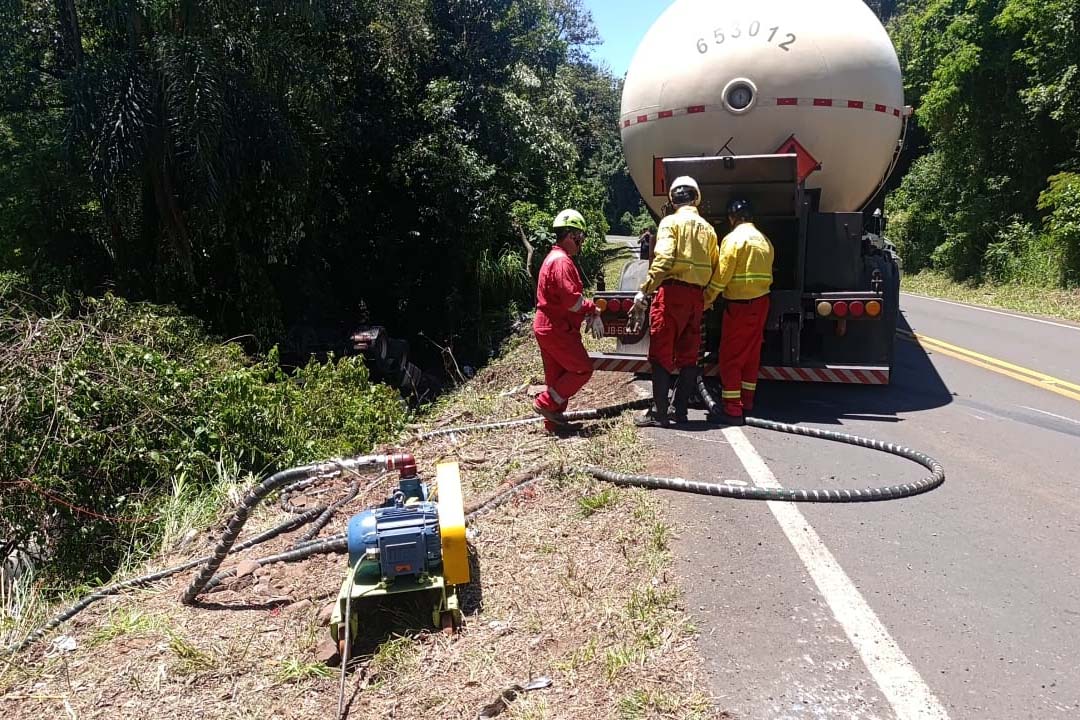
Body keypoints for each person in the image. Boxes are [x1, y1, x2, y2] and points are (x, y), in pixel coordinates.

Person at [631, 177, 724, 428]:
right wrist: (706, 299)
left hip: (670, 294)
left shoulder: (670, 223)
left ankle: (660, 413)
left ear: (672, 200)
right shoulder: (708, 229)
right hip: (696, 298)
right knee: (690, 355)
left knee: (661, 354)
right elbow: (717, 268)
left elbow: (663, 260)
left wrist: (644, 291)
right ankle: (680, 410)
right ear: (697, 198)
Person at [533, 209, 604, 432]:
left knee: (557, 378)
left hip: (548, 326)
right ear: (572, 236)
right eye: (580, 238)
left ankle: (553, 422)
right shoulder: (562, 262)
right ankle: (544, 403)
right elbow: (571, 301)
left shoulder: (552, 258)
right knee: (582, 369)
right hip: (557, 328)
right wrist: (593, 310)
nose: (581, 243)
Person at [710, 198, 774, 424]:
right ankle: (747, 402)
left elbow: (722, 276)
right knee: (751, 355)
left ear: (731, 218)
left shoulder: (733, 239)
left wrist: (707, 299)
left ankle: (732, 410)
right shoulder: (765, 240)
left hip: (740, 305)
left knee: (731, 358)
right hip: (761, 303)